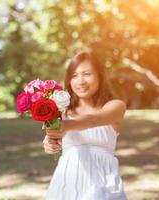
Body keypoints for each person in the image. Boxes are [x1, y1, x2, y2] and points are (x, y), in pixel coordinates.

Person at [43, 51, 127, 200]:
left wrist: (68, 125)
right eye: (74, 75)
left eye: (87, 74)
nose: (80, 81)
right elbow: (55, 137)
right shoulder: (62, 111)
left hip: (103, 183)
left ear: (100, 76)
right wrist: (49, 142)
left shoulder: (116, 106)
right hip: (66, 182)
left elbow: (92, 120)